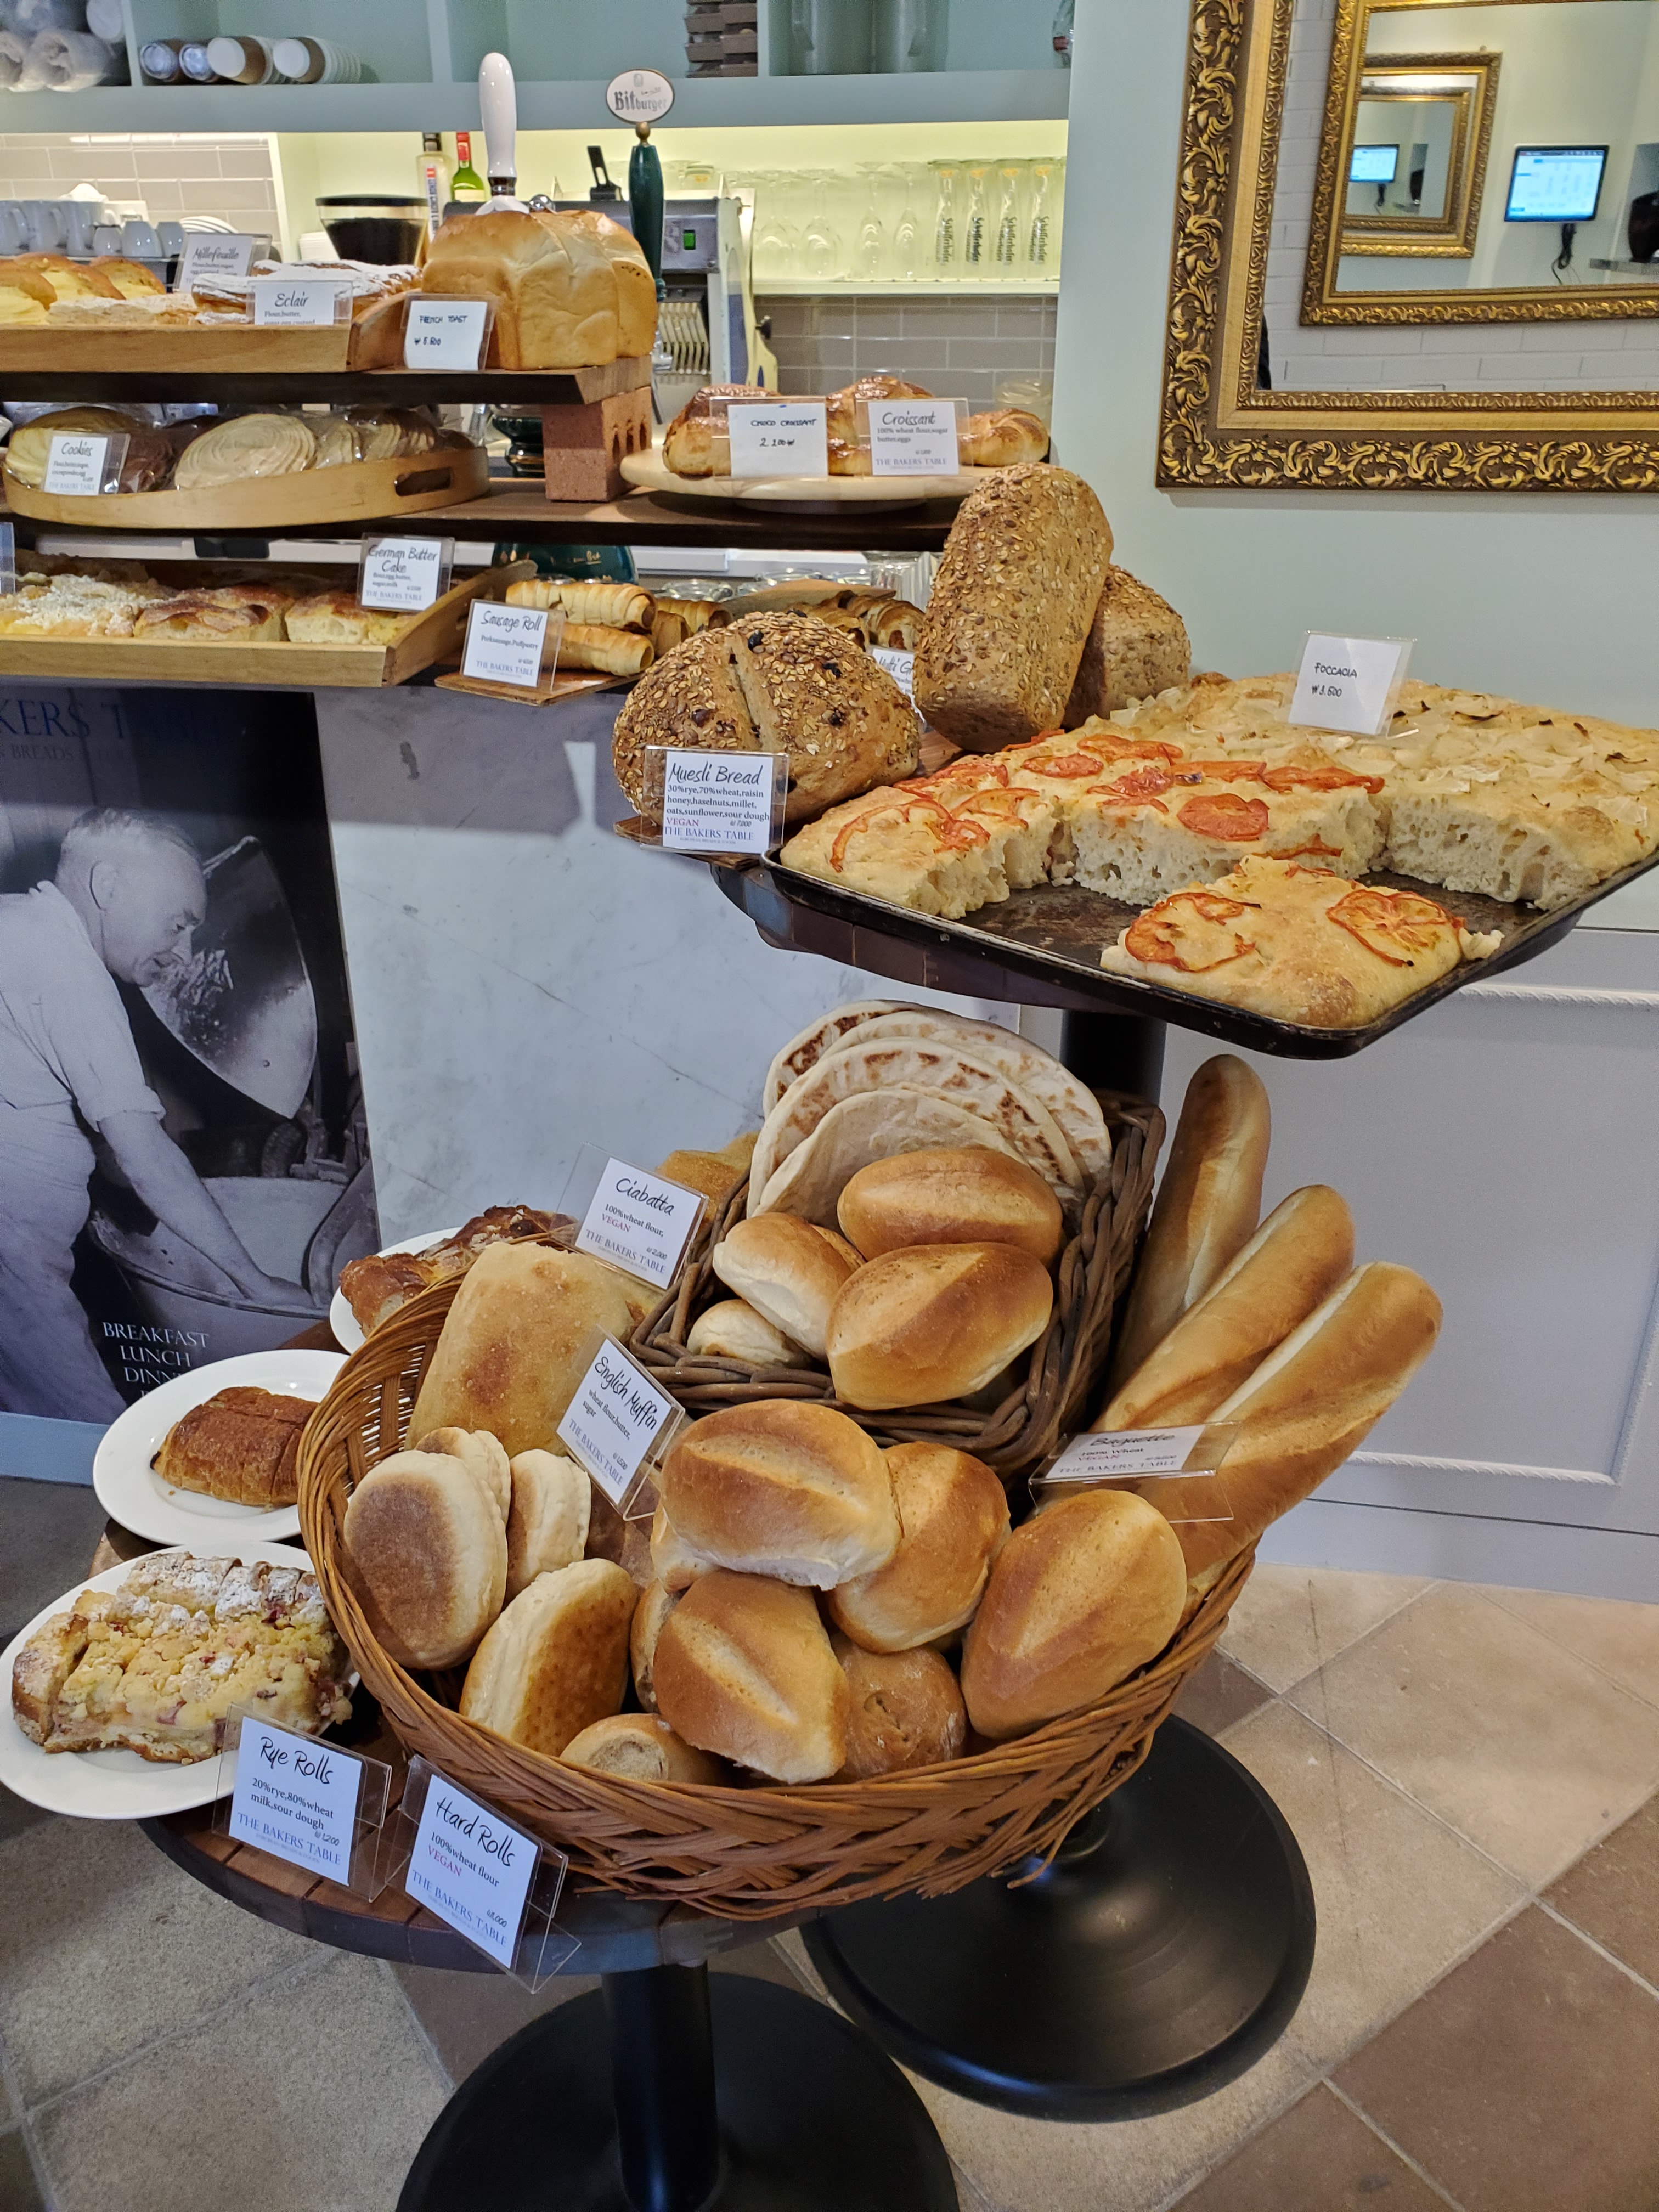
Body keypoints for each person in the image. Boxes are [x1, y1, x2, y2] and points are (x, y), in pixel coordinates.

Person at [0, 807, 298, 1421]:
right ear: (108, 885)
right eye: (178, 923)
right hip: (12, 1255)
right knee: (88, 1433)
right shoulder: (66, 968)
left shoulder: (19, 924)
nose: (185, 953)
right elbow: (142, 1154)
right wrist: (255, 1283)